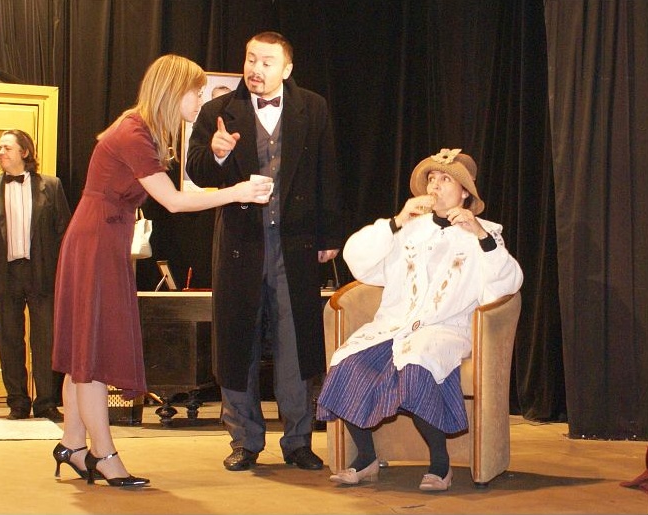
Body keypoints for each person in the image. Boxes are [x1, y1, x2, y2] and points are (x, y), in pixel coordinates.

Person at [50, 54, 273, 488]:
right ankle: (103, 455)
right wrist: (238, 192)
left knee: (83, 350)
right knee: (92, 357)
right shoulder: (134, 133)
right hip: (97, 241)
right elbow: (173, 201)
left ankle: (73, 444)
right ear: (174, 91)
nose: (200, 101)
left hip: (98, 238)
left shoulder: (138, 128)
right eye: (196, 92)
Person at [317, 149, 524, 491]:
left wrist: (479, 235)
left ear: (465, 192)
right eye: (432, 179)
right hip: (395, 324)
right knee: (347, 362)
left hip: (444, 329)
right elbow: (358, 260)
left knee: (417, 365)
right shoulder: (410, 229)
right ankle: (366, 458)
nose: (435, 186)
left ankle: (440, 464)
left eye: (446, 180)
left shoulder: (483, 233)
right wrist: (397, 221)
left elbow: (506, 285)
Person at [185, 31, 343, 472]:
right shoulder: (218, 110)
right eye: (251, 59)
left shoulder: (312, 107)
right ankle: (244, 440)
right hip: (241, 244)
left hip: (295, 245)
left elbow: (326, 170)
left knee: (297, 346)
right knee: (238, 344)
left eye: (267, 61)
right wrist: (217, 154)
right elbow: (196, 170)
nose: (255, 68)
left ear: (286, 69)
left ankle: (298, 441)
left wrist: (330, 234)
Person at [0, 129, 71, 423]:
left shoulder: (51, 186)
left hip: (41, 271)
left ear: (24, 152)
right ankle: (17, 402)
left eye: (6, 147)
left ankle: (46, 403)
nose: (0, 153)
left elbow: (63, 228)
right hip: (4, 272)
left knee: (45, 340)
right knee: (9, 339)